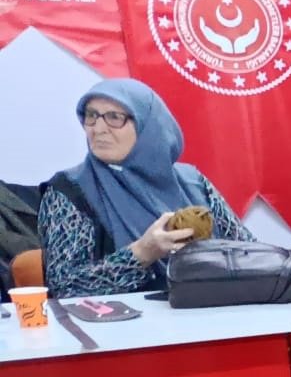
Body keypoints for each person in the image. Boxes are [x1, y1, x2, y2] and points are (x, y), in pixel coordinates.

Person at [40, 79, 252, 299]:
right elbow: (64, 288)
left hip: (214, 313)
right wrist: (142, 253)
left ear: (147, 124)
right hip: (122, 327)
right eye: (91, 115)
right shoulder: (70, 191)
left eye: (114, 117)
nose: (98, 129)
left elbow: (249, 252)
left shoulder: (192, 182)